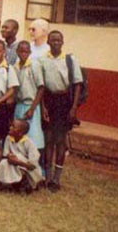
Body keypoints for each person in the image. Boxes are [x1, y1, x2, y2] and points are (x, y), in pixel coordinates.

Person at [39, 30, 83, 192]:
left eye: (59, 40)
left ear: (63, 42)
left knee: (61, 141)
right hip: (49, 101)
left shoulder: (70, 60)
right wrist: (43, 107)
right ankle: (48, 176)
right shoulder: (43, 59)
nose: (56, 42)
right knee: (48, 139)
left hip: (65, 102)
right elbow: (41, 86)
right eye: (53, 40)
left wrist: (73, 108)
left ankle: (57, 179)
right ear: (48, 42)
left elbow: (78, 84)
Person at [0, 119, 43, 193]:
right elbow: (6, 155)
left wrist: (18, 162)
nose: (10, 127)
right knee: (4, 162)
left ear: (20, 133)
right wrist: (9, 157)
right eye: (11, 125)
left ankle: (25, 183)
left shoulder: (29, 143)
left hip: (29, 170)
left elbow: (32, 166)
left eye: (13, 127)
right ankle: (8, 183)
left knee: (18, 156)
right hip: (15, 165)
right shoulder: (8, 138)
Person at [12, 41, 45, 151]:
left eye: (26, 51)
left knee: (33, 137)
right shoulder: (15, 67)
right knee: (18, 135)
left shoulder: (34, 65)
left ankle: (35, 163)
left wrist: (32, 108)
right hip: (19, 105)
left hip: (31, 106)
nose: (23, 54)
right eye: (21, 51)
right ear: (17, 52)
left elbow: (41, 88)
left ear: (30, 52)